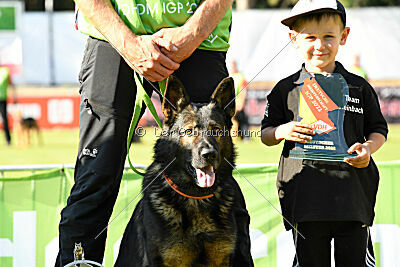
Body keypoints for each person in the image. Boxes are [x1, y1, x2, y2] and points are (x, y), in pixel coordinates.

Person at [55, 0, 253, 266]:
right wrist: (128, 44)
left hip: (199, 37)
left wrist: (191, 33)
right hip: (112, 34)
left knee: (219, 172)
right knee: (95, 177)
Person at [260, 0, 388, 266]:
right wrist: (283, 131)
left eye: (328, 36)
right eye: (310, 37)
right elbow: (265, 134)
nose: (320, 45)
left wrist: (368, 149)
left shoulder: (358, 87)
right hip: (305, 201)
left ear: (344, 36)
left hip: (352, 201)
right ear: (293, 39)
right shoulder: (285, 89)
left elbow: (378, 129)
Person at [230, 60, 250, 141]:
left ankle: (245, 138)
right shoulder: (229, 75)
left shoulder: (240, 77)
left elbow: (243, 90)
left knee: (242, 120)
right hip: (231, 104)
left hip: (238, 103)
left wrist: (241, 103)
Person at [0, 65, 12, 146]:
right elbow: (10, 83)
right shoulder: (5, 71)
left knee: (5, 119)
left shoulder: (5, 71)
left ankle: (8, 140)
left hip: (2, 98)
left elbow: (9, 83)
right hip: (3, 98)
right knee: (5, 119)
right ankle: (8, 140)